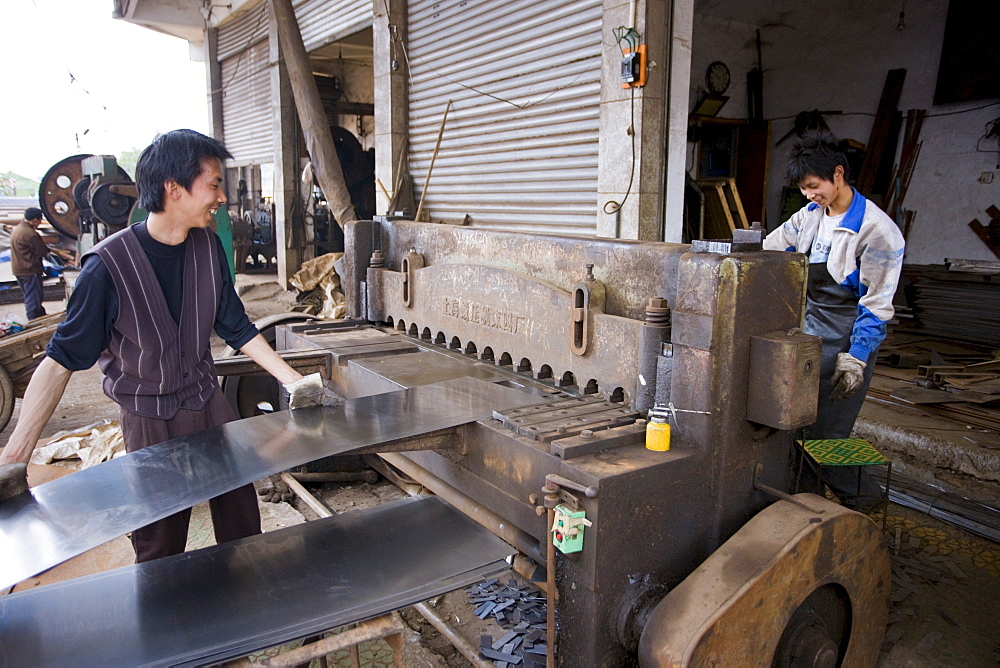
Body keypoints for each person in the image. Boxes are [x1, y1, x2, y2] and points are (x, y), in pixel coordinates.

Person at [0, 129, 338, 563]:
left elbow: (237, 327)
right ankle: (166, 618)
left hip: (206, 401)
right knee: (160, 537)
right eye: (214, 184)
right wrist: (16, 456)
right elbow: (61, 360)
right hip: (147, 416)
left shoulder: (209, 248)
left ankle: (246, 606)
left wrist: (295, 383)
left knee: (241, 517)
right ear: (173, 188)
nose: (221, 197)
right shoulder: (106, 268)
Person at [763, 130, 905, 510]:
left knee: (827, 436)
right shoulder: (809, 218)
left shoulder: (877, 231)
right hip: (809, 343)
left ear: (838, 174)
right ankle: (807, 504)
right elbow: (767, 254)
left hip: (846, 344)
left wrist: (856, 357)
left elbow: (876, 305)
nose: (809, 195)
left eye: (814, 186)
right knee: (794, 430)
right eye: (804, 189)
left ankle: (867, 504)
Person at [10, 207, 50, 320]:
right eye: (40, 220)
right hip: (29, 270)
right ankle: (33, 321)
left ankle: (40, 316)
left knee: (30, 295)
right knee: (33, 297)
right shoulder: (30, 233)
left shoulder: (18, 229)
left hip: (19, 269)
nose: (40, 223)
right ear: (35, 219)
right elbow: (42, 251)